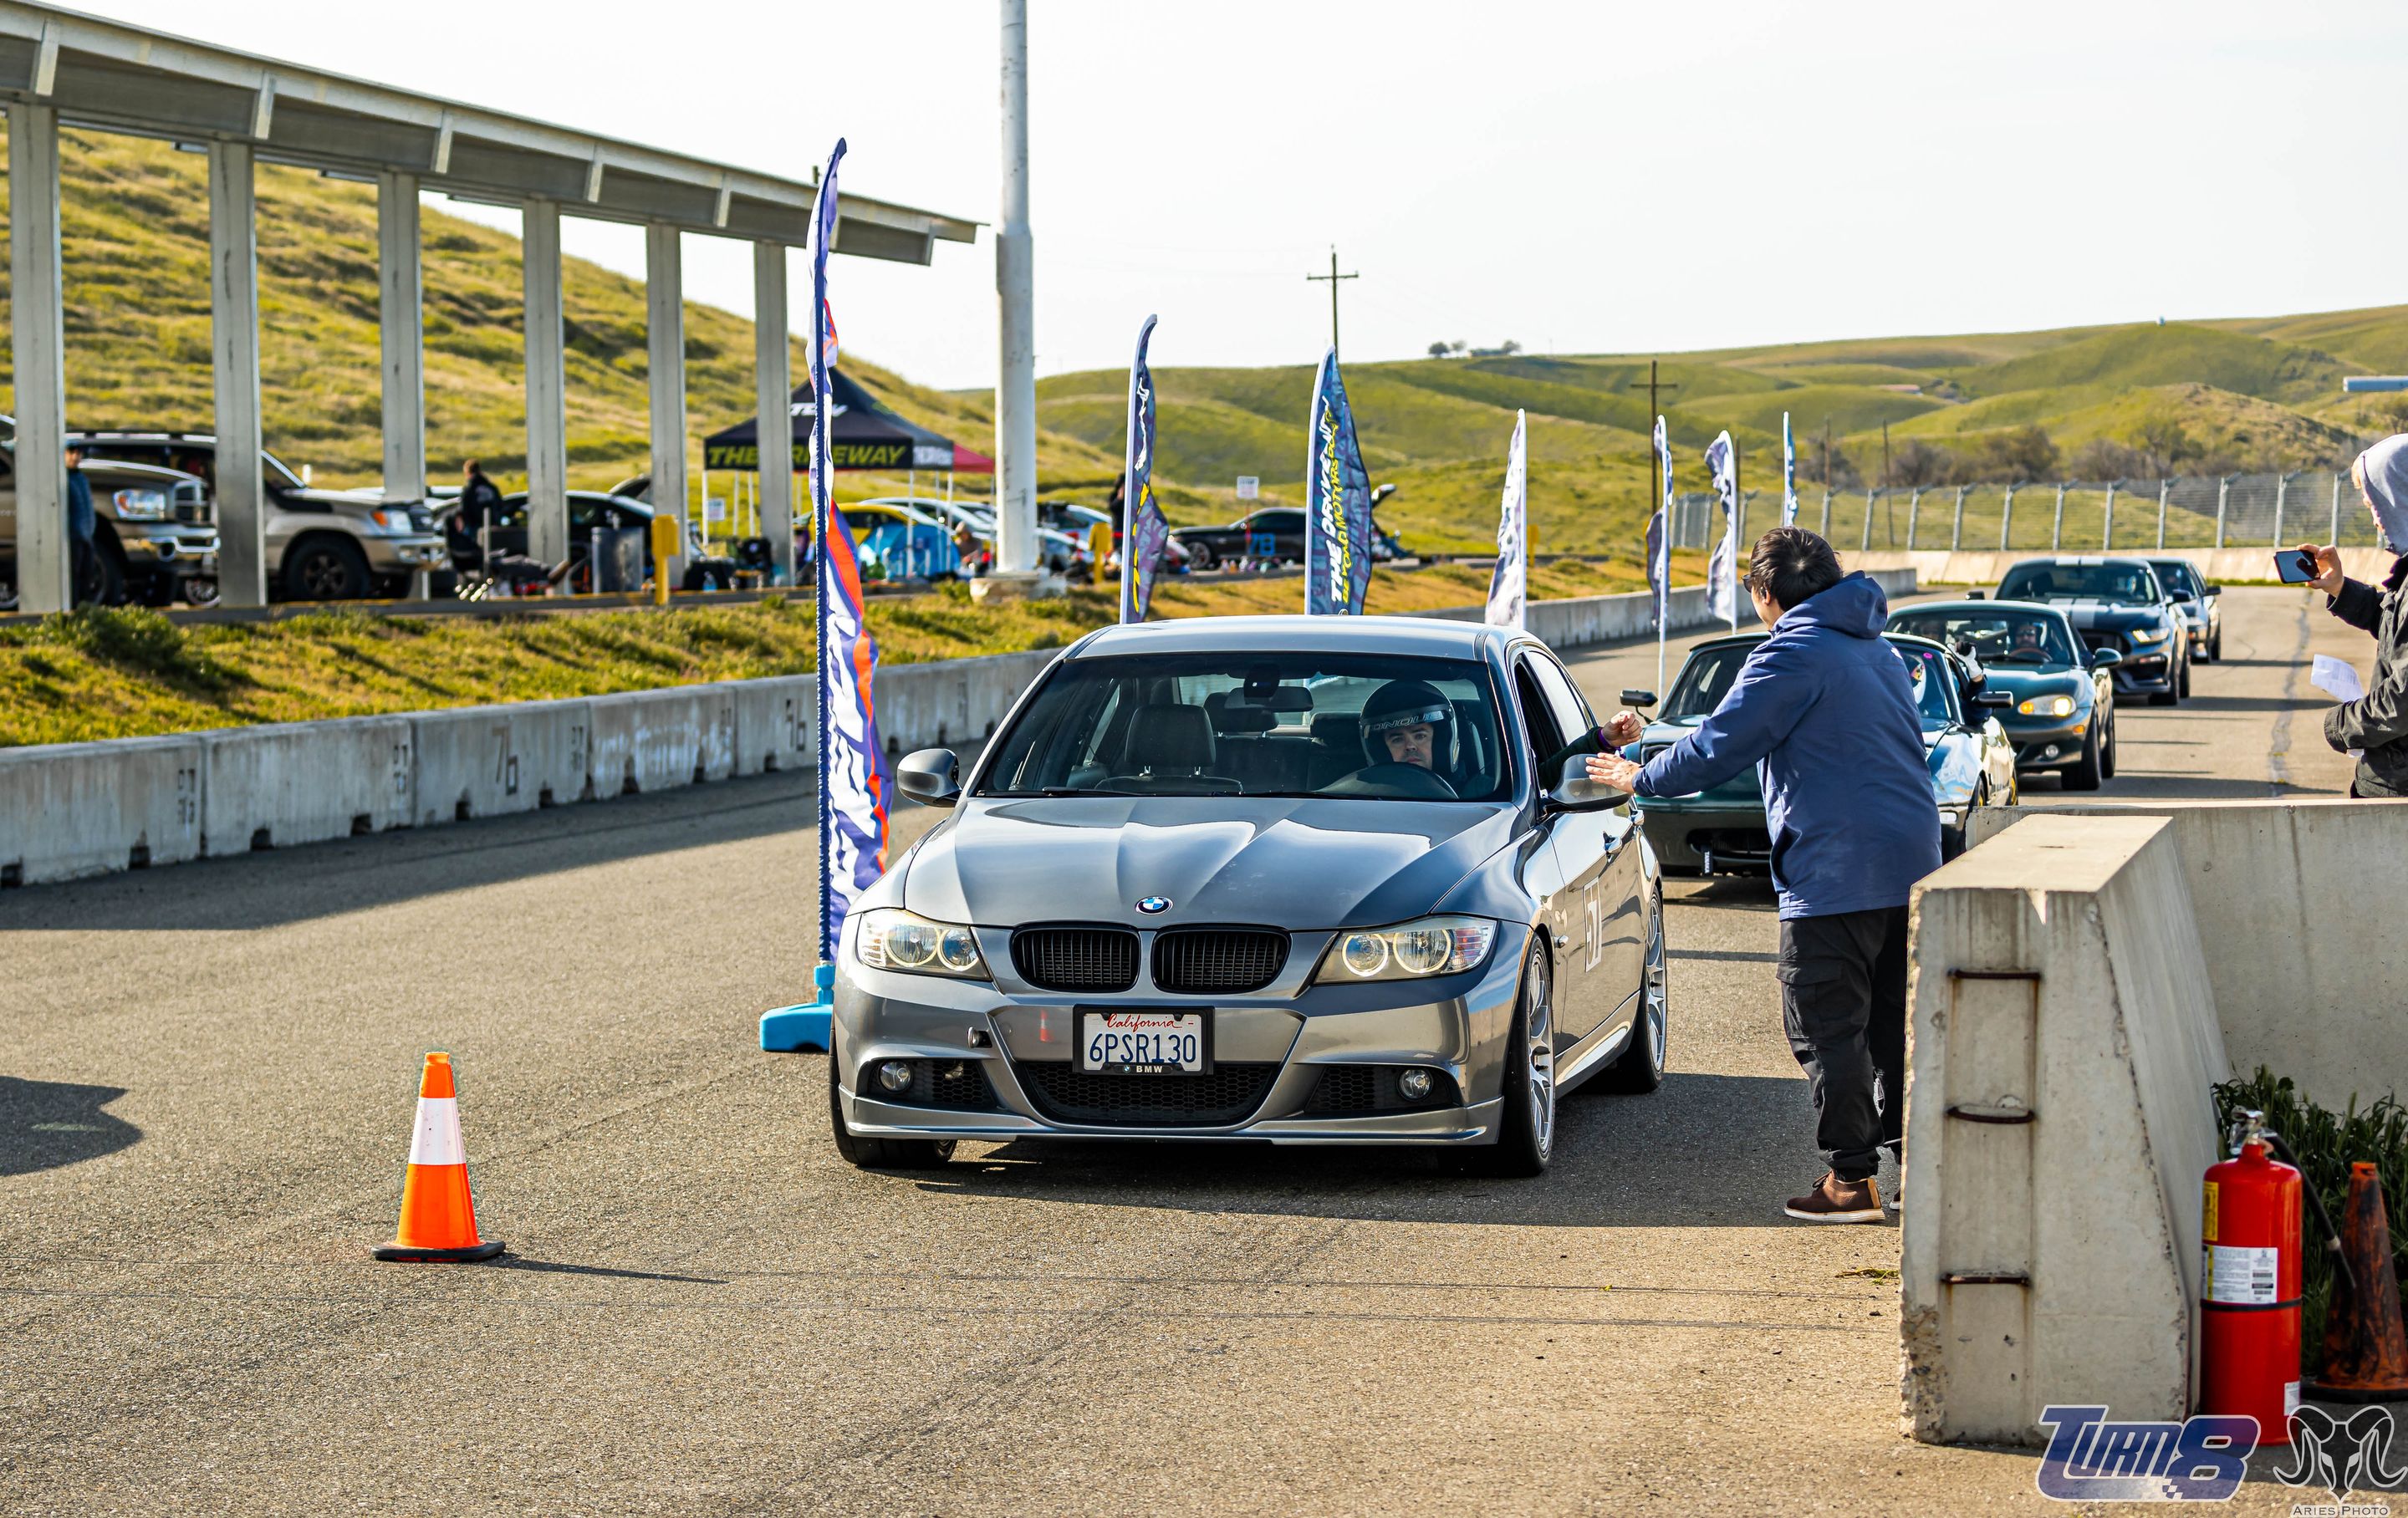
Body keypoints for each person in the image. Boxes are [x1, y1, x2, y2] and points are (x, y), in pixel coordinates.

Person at [1584, 527, 1941, 1223]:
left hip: (1836, 869)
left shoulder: (1791, 651)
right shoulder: (1878, 649)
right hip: (1910, 864)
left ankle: (1851, 1180)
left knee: (1824, 1024)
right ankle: (1922, 1167)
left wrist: (1641, 775)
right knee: (1896, 1027)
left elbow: (1724, 742)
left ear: (1764, 595)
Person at [2298, 433, 2408, 798]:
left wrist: (2340, 724)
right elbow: (2397, 627)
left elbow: (2402, 702)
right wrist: (2341, 588)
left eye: (2375, 502)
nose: (2375, 518)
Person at [1360, 679, 1458, 787]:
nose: (1410, 746)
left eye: (1420, 736)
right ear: (1383, 750)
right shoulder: (1367, 796)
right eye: (1397, 740)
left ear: (1440, 742)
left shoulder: (1473, 794)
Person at [451, 459, 504, 577]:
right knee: (494, 554)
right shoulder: (492, 487)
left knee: (478, 554)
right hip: (494, 529)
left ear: (468, 472)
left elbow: (463, 510)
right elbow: (501, 506)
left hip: (476, 528)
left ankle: (481, 574)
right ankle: (493, 574)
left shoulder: (469, 489)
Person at [65, 441, 99, 605]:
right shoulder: (63, 478)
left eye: (78, 453)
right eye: (71, 452)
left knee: (87, 574)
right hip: (73, 535)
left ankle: (84, 609)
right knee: (73, 575)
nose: (75, 457)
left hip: (86, 535)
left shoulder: (81, 478)